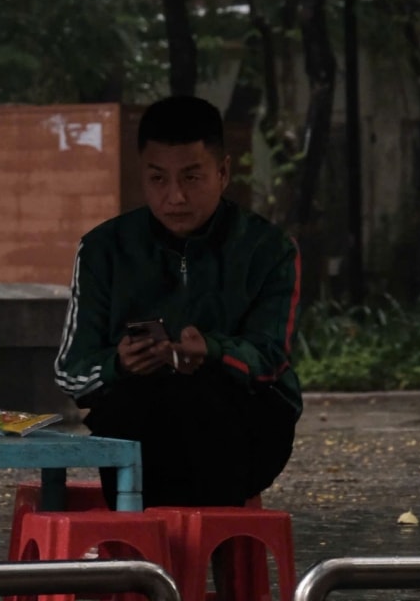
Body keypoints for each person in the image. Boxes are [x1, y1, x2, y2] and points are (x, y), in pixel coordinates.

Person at [54, 96, 302, 508]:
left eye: (191, 178)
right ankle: (162, 557)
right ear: (142, 176)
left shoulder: (268, 248)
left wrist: (213, 352)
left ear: (222, 172)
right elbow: (71, 370)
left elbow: (271, 357)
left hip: (243, 430)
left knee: (200, 402)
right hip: (140, 429)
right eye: (158, 179)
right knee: (141, 409)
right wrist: (120, 363)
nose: (175, 197)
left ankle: (161, 559)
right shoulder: (104, 249)